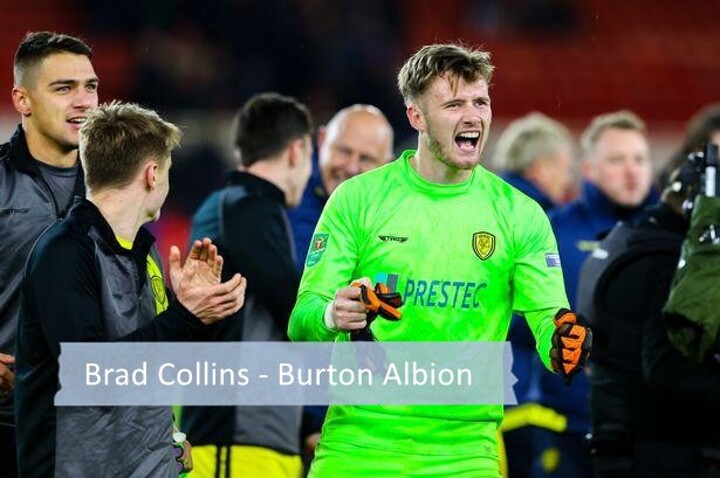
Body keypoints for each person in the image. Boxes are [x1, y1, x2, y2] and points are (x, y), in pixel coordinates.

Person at [288, 43, 590, 477]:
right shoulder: (357, 200)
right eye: (453, 105)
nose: (472, 116)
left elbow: (548, 321)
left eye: (480, 102)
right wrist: (334, 315)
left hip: (466, 455)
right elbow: (302, 322)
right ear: (416, 116)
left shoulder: (520, 215)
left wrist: (561, 345)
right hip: (359, 447)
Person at [14, 102, 247, 477]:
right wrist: (185, 316)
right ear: (153, 174)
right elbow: (91, 374)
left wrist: (169, 436)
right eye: (167, 170)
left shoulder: (146, 252)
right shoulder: (65, 251)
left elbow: (150, 361)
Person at [182, 92, 313, 478]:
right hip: (234, 443)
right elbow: (293, 311)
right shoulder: (245, 206)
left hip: (259, 438)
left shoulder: (242, 207)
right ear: (297, 150)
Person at [578, 151, 720, 477]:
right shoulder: (667, 262)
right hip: (659, 453)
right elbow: (667, 370)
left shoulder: (620, 241)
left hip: (614, 441)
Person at [531, 110, 657, 478]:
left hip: (649, 431)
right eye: (617, 160)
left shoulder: (672, 235)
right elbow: (521, 326)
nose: (632, 171)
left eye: (640, 159)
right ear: (589, 169)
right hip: (567, 427)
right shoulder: (553, 231)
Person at [0, 31, 99, 477]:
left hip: (89, 428)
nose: (84, 102)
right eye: (64, 88)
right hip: (8, 420)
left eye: (90, 87)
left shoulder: (114, 188)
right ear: (22, 100)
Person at [492, 112, 576, 478]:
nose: (568, 180)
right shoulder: (542, 221)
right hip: (522, 388)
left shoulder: (481, 206)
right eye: (564, 168)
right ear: (542, 166)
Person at [288, 104, 394, 270]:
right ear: (322, 140)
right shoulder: (286, 194)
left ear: (387, 165)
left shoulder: (396, 214)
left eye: (366, 159)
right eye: (344, 151)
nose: (352, 168)